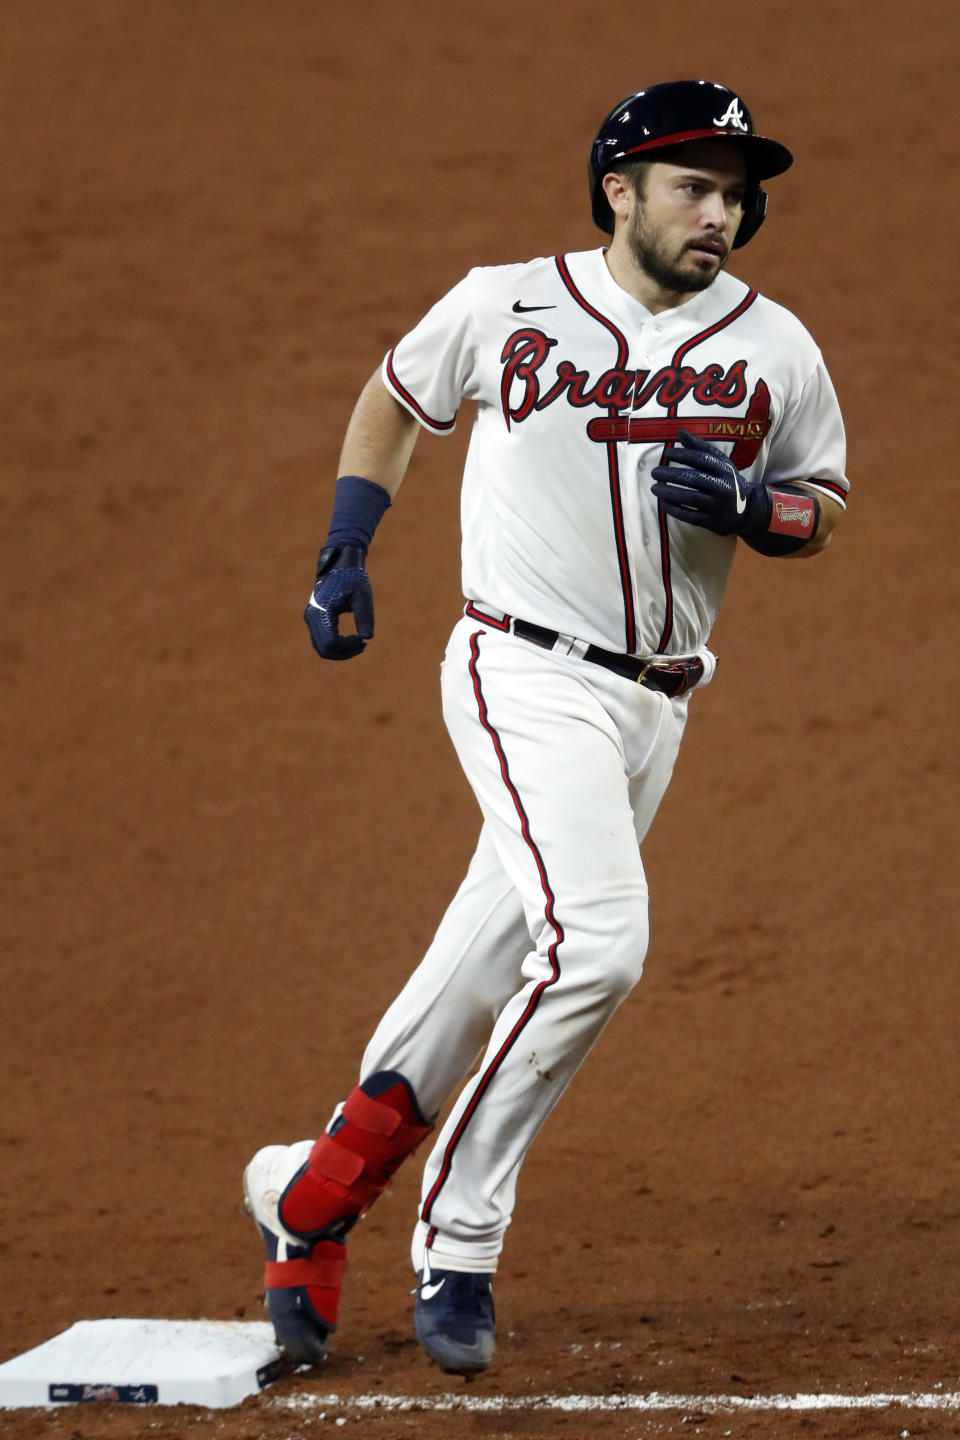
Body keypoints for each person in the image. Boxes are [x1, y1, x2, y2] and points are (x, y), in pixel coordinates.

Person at [243, 79, 848, 1378]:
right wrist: (345, 548)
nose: (723, 212)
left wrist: (757, 510)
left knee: (481, 970)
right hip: (524, 674)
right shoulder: (504, 302)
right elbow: (398, 398)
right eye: (695, 183)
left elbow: (821, 500)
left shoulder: (776, 347)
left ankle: (308, 1199)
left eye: (738, 192)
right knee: (599, 947)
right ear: (617, 189)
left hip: (655, 709)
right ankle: (460, 1233)